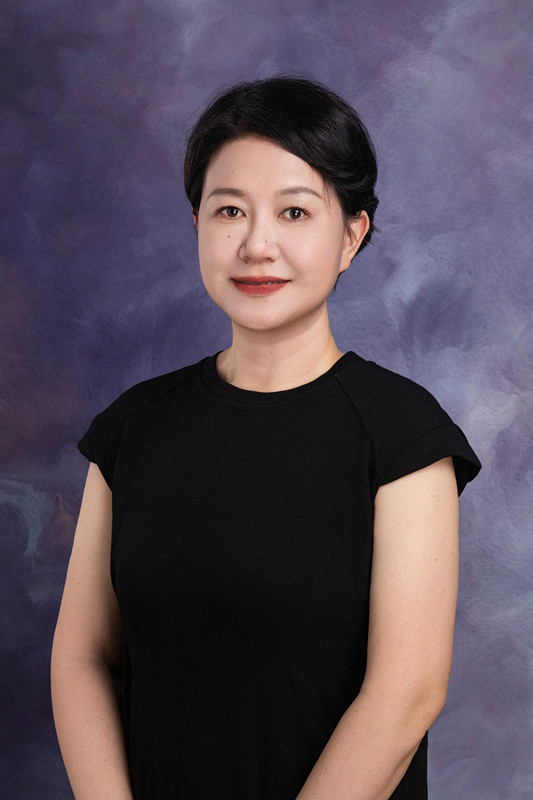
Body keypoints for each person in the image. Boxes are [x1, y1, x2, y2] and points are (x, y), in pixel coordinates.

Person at [50, 75, 481, 800]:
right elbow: (81, 657)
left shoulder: (402, 435)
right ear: (197, 224)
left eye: (294, 212)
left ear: (351, 236)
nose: (257, 245)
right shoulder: (132, 428)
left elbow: (406, 696)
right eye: (229, 211)